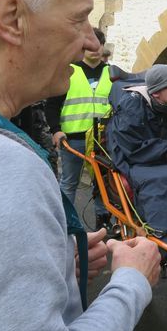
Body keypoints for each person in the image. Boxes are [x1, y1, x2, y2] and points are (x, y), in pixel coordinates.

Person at [0, 0, 160, 331]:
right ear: (11, 17)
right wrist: (131, 283)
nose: (91, 41)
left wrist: (48, 259)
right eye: (78, 19)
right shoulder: (9, 170)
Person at [108, 64, 167, 246]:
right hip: (136, 161)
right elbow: (132, 147)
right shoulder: (131, 106)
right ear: (156, 93)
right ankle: (165, 237)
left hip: (166, 159)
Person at [45, 26, 112, 230]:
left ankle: (104, 222)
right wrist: (56, 129)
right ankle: (64, 222)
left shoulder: (113, 73)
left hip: (103, 140)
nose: (93, 49)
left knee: (103, 185)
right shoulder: (70, 71)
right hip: (73, 139)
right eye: (88, 45)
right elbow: (52, 104)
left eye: (97, 44)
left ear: (102, 47)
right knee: (69, 183)